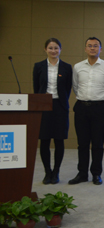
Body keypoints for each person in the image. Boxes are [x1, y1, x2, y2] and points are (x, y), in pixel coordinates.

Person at [69, 37, 104, 185]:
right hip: (81, 107)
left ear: (100, 49)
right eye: (90, 46)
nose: (92, 48)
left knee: (98, 144)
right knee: (82, 143)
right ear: (85, 48)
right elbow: (75, 87)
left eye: (95, 46)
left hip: (100, 108)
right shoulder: (77, 67)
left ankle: (96, 174)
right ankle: (82, 173)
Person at [33, 38, 72, 185]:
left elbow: (67, 88)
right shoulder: (38, 66)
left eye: (56, 48)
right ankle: (47, 172)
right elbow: (36, 87)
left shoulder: (66, 67)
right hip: (44, 105)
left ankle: (56, 172)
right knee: (44, 140)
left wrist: (61, 101)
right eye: (50, 48)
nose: (53, 51)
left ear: (60, 49)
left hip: (60, 106)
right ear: (45, 49)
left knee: (59, 139)